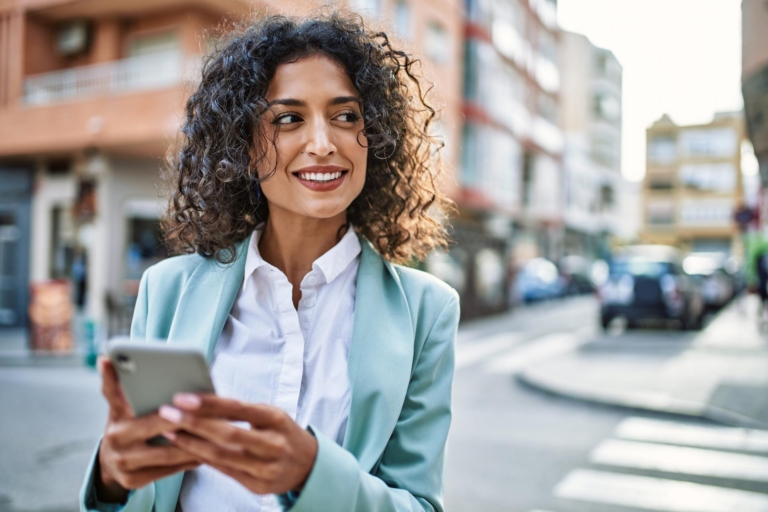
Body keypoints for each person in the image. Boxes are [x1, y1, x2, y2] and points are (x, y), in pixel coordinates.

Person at [79, 11, 459, 512]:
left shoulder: (427, 311)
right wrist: (112, 476)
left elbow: (419, 504)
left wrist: (313, 474)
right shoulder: (167, 289)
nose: (323, 143)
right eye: (288, 118)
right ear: (245, 143)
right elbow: (144, 483)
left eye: (346, 116)